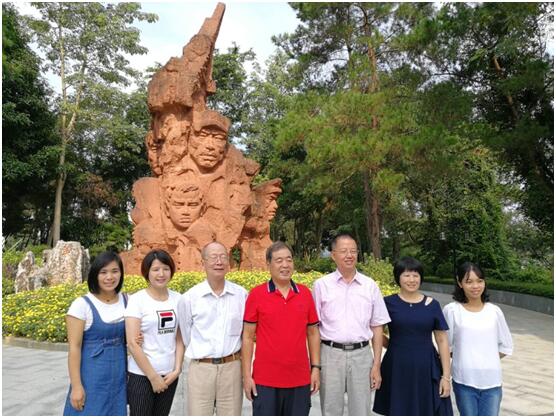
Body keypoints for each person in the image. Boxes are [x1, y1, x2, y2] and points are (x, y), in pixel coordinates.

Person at [312, 233, 391, 416]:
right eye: (344, 251)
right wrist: (315, 365)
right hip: (330, 354)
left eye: (353, 251)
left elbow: (377, 327)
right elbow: (313, 328)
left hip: (361, 355)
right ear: (333, 255)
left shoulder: (370, 285)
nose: (349, 255)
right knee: (331, 409)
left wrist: (376, 365)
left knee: (361, 410)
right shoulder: (321, 285)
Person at [242, 241, 321, 416]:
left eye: (289, 260)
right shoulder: (256, 294)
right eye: (279, 261)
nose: (285, 265)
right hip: (265, 380)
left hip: (299, 379)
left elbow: (313, 333)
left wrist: (316, 368)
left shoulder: (305, 294)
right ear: (268, 264)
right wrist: (247, 376)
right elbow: (247, 337)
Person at [373, 256, 453, 416]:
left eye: (416, 275)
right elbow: (376, 333)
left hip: (426, 367)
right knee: (399, 409)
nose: (411, 280)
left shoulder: (432, 305)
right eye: (407, 275)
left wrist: (446, 376)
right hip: (397, 367)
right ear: (398, 277)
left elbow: (442, 340)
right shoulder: (387, 303)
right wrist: (395, 345)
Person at [177, 242, 248, 415]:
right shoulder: (190, 298)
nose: (219, 262)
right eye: (214, 257)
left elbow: (245, 333)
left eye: (223, 257)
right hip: (201, 369)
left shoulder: (241, 295)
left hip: (232, 368)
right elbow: (186, 335)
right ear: (203, 263)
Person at [443, 262, 513, 416]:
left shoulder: (494, 311)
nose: (475, 286)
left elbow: (506, 345)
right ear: (459, 283)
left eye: (479, 281)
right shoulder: (452, 310)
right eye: (469, 281)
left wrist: (486, 359)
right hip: (464, 380)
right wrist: (464, 358)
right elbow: (445, 346)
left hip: (492, 381)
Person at [63, 251, 128, 416]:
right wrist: (76, 386)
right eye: (103, 272)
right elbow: (74, 348)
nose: (109, 277)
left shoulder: (128, 301)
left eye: (115, 271)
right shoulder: (81, 305)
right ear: (95, 275)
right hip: (91, 376)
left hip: (119, 376)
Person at [125, 249, 185, 416]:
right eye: (155, 269)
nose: (161, 274)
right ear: (147, 272)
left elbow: (180, 338)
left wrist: (177, 369)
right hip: (142, 375)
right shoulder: (137, 300)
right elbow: (132, 343)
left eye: (166, 269)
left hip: (169, 375)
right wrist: (153, 377)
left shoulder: (179, 299)